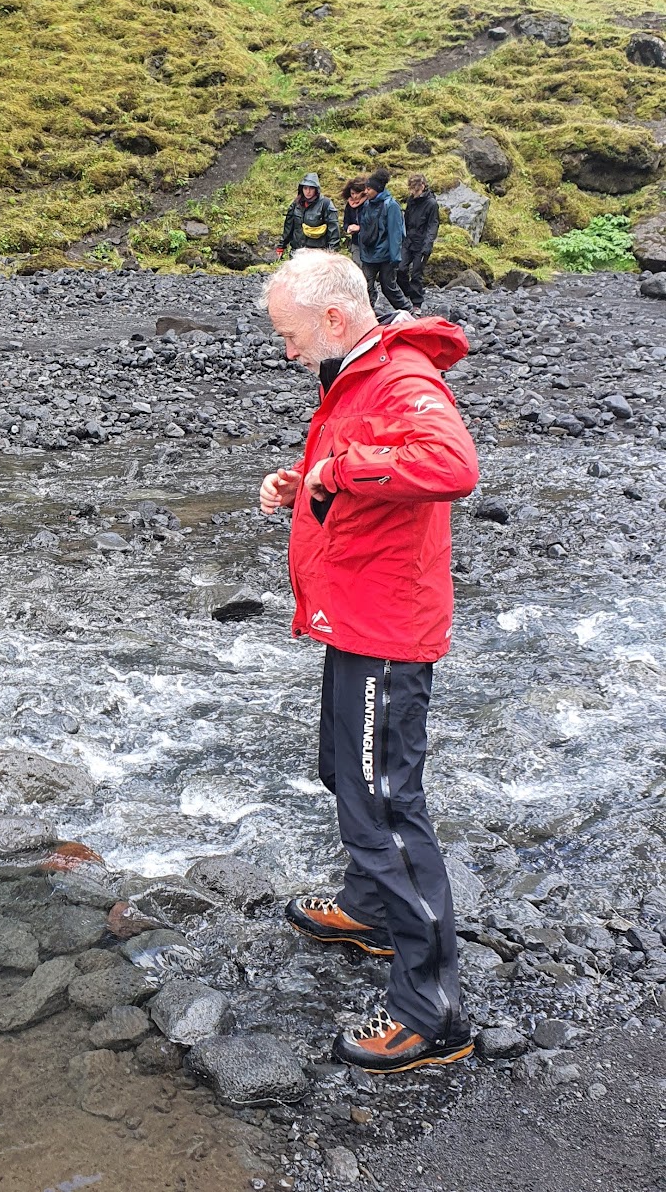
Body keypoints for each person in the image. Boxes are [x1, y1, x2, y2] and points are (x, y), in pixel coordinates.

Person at [257, 249, 479, 1075]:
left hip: (387, 625)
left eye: (289, 335)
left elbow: (453, 465)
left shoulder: (400, 379)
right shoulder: (356, 374)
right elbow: (362, 477)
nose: (286, 350)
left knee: (385, 804)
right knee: (343, 774)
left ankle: (434, 1013)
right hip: (355, 612)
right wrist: (305, 485)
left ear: (336, 320)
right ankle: (372, 911)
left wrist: (338, 469)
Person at [359, 168, 414, 314]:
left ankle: (407, 310)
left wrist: (395, 257)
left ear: (377, 189)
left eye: (369, 189)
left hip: (386, 255)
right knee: (366, 284)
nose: (366, 191)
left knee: (388, 286)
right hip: (369, 253)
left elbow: (396, 234)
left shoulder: (391, 206)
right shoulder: (367, 204)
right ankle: (368, 313)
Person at [277, 172, 340, 258]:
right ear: (301, 189)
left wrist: (332, 253)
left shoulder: (326, 204)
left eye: (311, 188)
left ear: (316, 189)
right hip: (297, 251)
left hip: (317, 253)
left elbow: (334, 231)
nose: (308, 191)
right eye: (305, 188)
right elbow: (288, 227)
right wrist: (282, 246)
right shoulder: (296, 204)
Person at [400, 174, 439, 308]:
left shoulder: (431, 204)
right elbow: (406, 219)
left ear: (422, 186)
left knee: (416, 274)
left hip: (422, 244)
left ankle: (417, 303)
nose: (413, 193)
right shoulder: (411, 200)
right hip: (408, 241)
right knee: (400, 269)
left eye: (415, 190)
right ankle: (409, 292)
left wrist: (428, 244)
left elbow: (433, 225)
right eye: (411, 190)